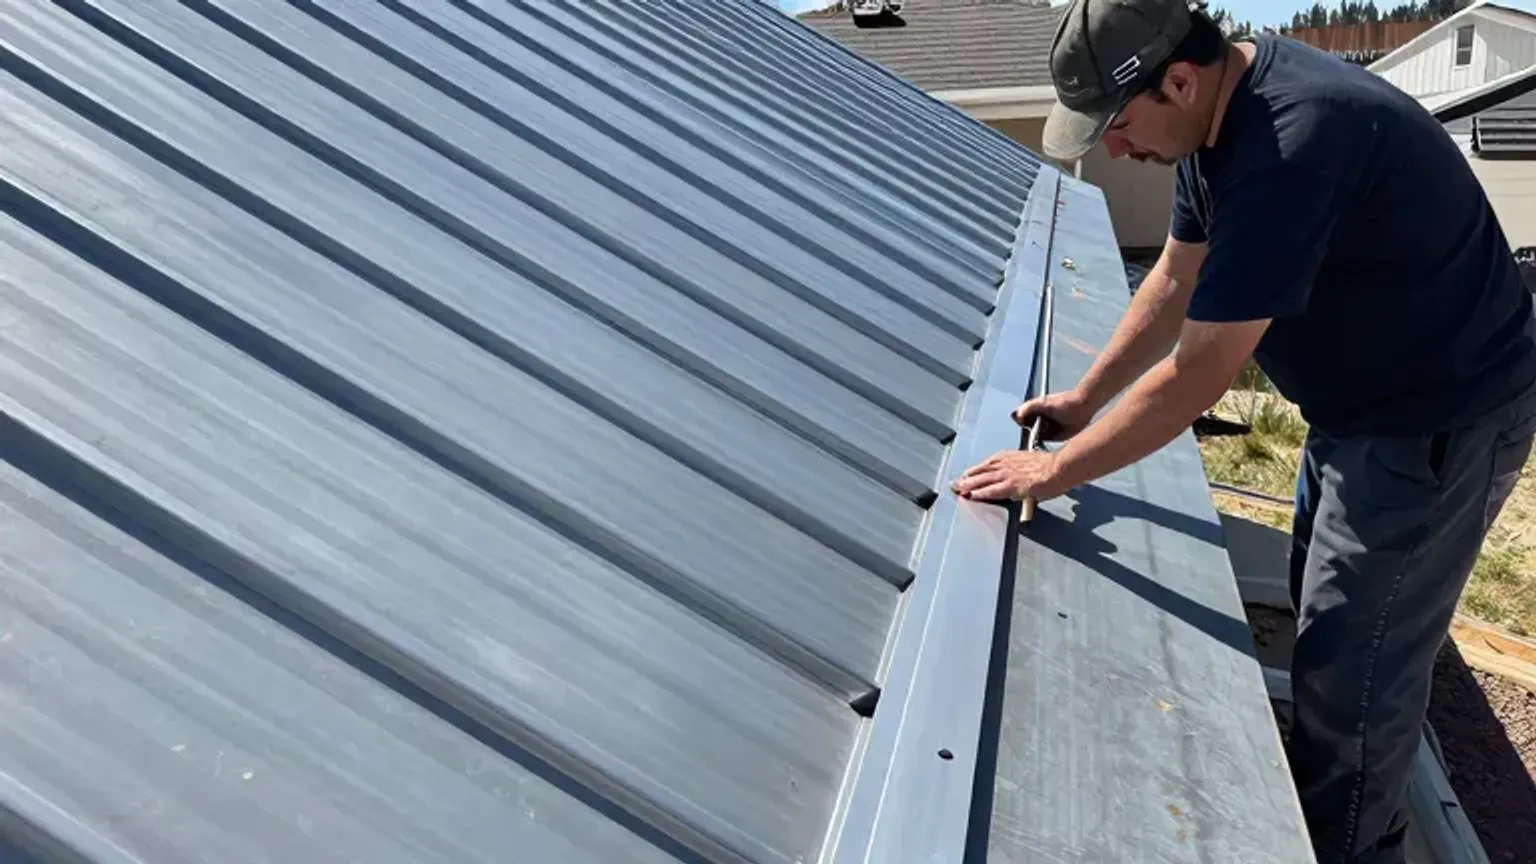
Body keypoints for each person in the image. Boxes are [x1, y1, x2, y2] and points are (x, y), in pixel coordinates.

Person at [949, 0, 1536, 861]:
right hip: (1360, 410)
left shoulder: (1291, 146)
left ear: (1177, 81)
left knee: (1356, 670)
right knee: (1330, 621)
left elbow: (1198, 374)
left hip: (1439, 421)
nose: (1113, 149)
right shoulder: (1212, 123)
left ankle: (1351, 849)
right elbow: (1177, 278)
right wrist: (1083, 397)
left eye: (1115, 126)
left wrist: (1057, 471)